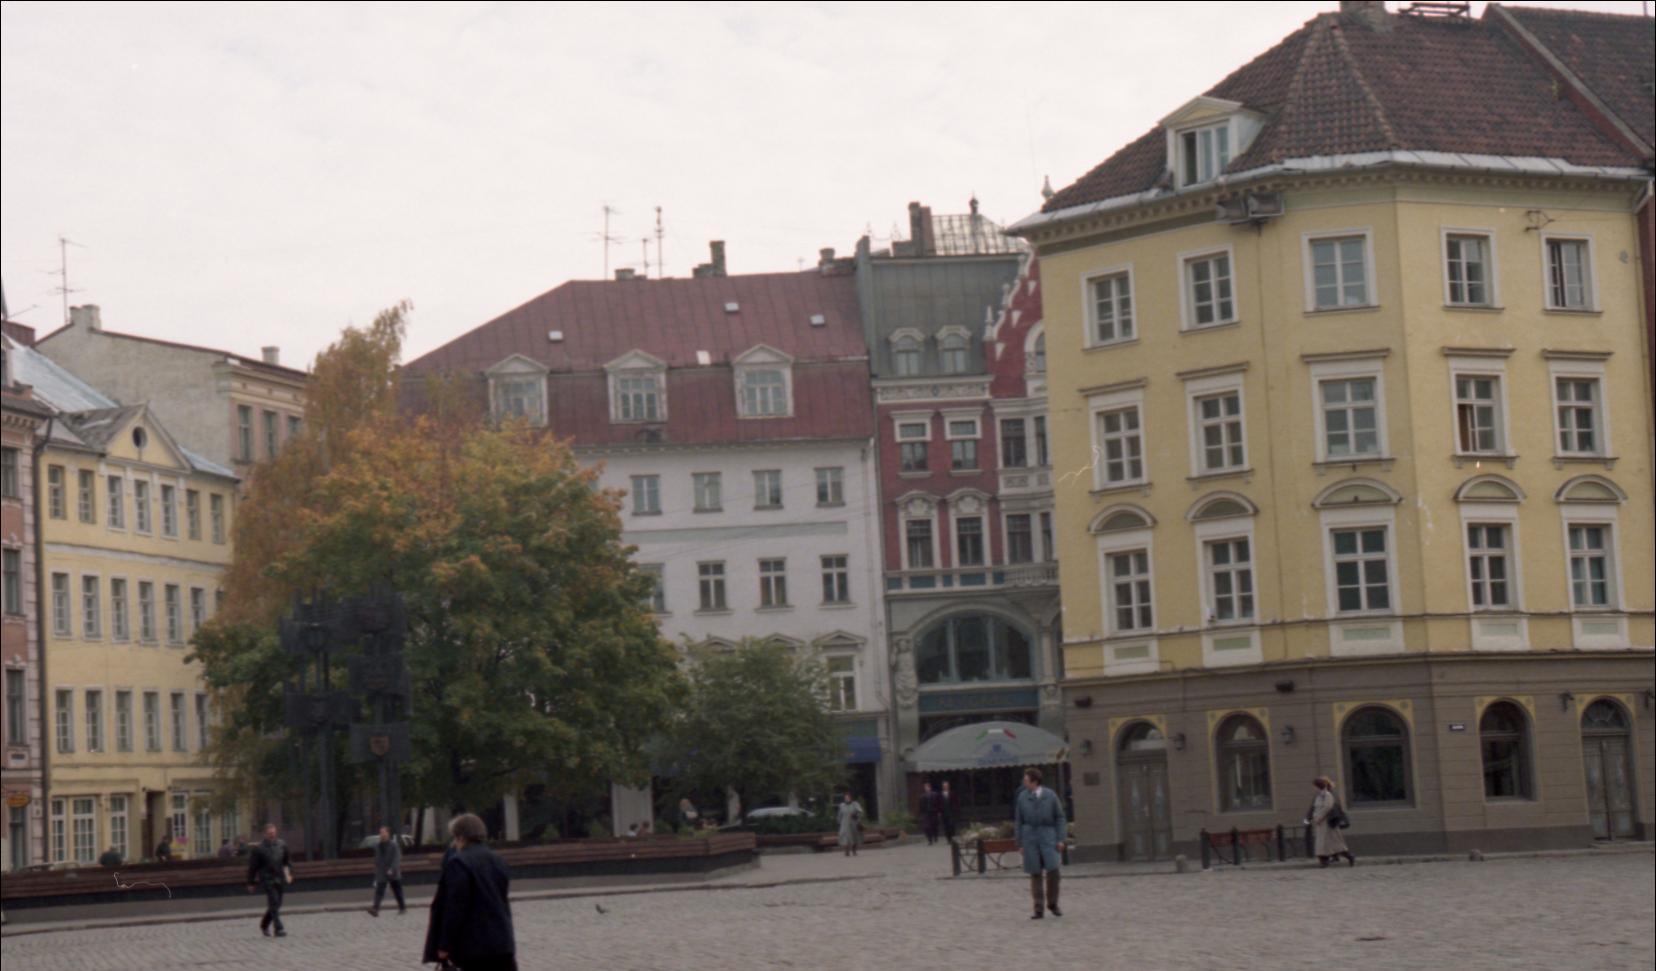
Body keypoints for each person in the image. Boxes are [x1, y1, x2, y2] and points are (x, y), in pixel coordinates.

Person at [423, 813, 517, 971]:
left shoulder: (458, 863)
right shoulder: (498, 860)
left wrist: (444, 945)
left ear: (460, 837)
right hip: (502, 942)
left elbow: (454, 908)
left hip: (474, 947)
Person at [1014, 767, 1066, 919]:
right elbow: (1018, 820)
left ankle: (1053, 903)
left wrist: (1060, 839)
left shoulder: (1050, 795)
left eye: (1026, 780)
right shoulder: (1022, 797)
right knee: (1035, 873)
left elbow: (1060, 818)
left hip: (1048, 837)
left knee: (1053, 871)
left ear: (1034, 781)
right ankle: (1038, 908)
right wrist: (1020, 843)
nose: (1024, 782)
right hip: (1030, 838)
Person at [246, 822, 292, 937]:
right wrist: (250, 882)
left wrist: (288, 874)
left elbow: (287, 862)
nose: (272, 835)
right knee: (274, 901)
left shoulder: (282, 845)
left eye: (273, 832)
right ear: (265, 834)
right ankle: (279, 928)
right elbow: (253, 867)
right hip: (267, 879)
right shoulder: (259, 849)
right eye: (270, 833)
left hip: (279, 877)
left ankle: (264, 924)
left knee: (277, 904)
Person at [1307, 777, 1355, 868]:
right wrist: (1313, 817)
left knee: (1333, 842)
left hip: (1327, 822)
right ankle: (1324, 861)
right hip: (1320, 823)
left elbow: (1327, 807)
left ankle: (1348, 856)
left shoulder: (1327, 795)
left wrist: (1319, 817)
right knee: (1322, 843)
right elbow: (1315, 807)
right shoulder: (1318, 796)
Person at [369, 824, 407, 917]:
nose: (382, 834)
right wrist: (377, 869)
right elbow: (377, 859)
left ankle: (402, 907)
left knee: (397, 891)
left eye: (383, 832)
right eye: (380, 832)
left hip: (393, 872)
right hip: (382, 872)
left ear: (388, 833)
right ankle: (375, 909)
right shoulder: (378, 846)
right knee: (379, 891)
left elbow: (397, 858)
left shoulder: (394, 845)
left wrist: (392, 869)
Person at [836, 791, 864, 858]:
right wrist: (838, 822)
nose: (846, 799)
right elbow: (839, 815)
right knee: (845, 837)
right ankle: (846, 851)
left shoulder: (855, 804)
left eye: (848, 798)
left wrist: (856, 815)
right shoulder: (842, 805)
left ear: (851, 798)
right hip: (844, 823)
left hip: (853, 823)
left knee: (854, 837)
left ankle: (854, 850)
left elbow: (860, 812)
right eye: (845, 798)